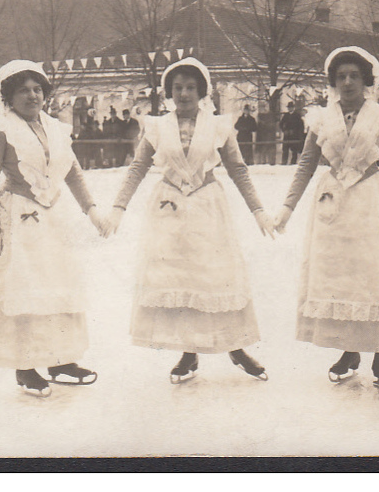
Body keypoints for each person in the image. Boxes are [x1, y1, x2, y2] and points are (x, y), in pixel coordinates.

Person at [105, 57, 277, 383]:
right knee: (181, 280)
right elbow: (138, 168)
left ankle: (236, 347)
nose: (183, 94)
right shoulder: (157, 126)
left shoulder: (218, 125)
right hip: (169, 207)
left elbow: (238, 169)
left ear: (202, 91)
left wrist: (259, 211)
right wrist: (118, 207)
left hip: (207, 206)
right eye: (177, 88)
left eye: (190, 87)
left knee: (216, 277)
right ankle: (188, 353)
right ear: (169, 92)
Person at [274, 46, 379, 391]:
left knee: (376, 277)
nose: (348, 82)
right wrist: (286, 208)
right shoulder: (321, 119)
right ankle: (349, 351)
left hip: (371, 201)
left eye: (355, 76)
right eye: (341, 77)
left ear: (367, 80)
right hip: (333, 208)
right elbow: (306, 166)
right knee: (341, 279)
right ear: (333, 82)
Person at [0, 60, 107, 398]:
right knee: (25, 289)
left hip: (51, 219)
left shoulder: (55, 129)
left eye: (37, 89)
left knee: (58, 286)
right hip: (17, 218)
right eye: (23, 90)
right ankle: (25, 367)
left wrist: (92, 210)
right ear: (8, 98)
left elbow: (71, 172)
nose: (32, 95)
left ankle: (60, 361)